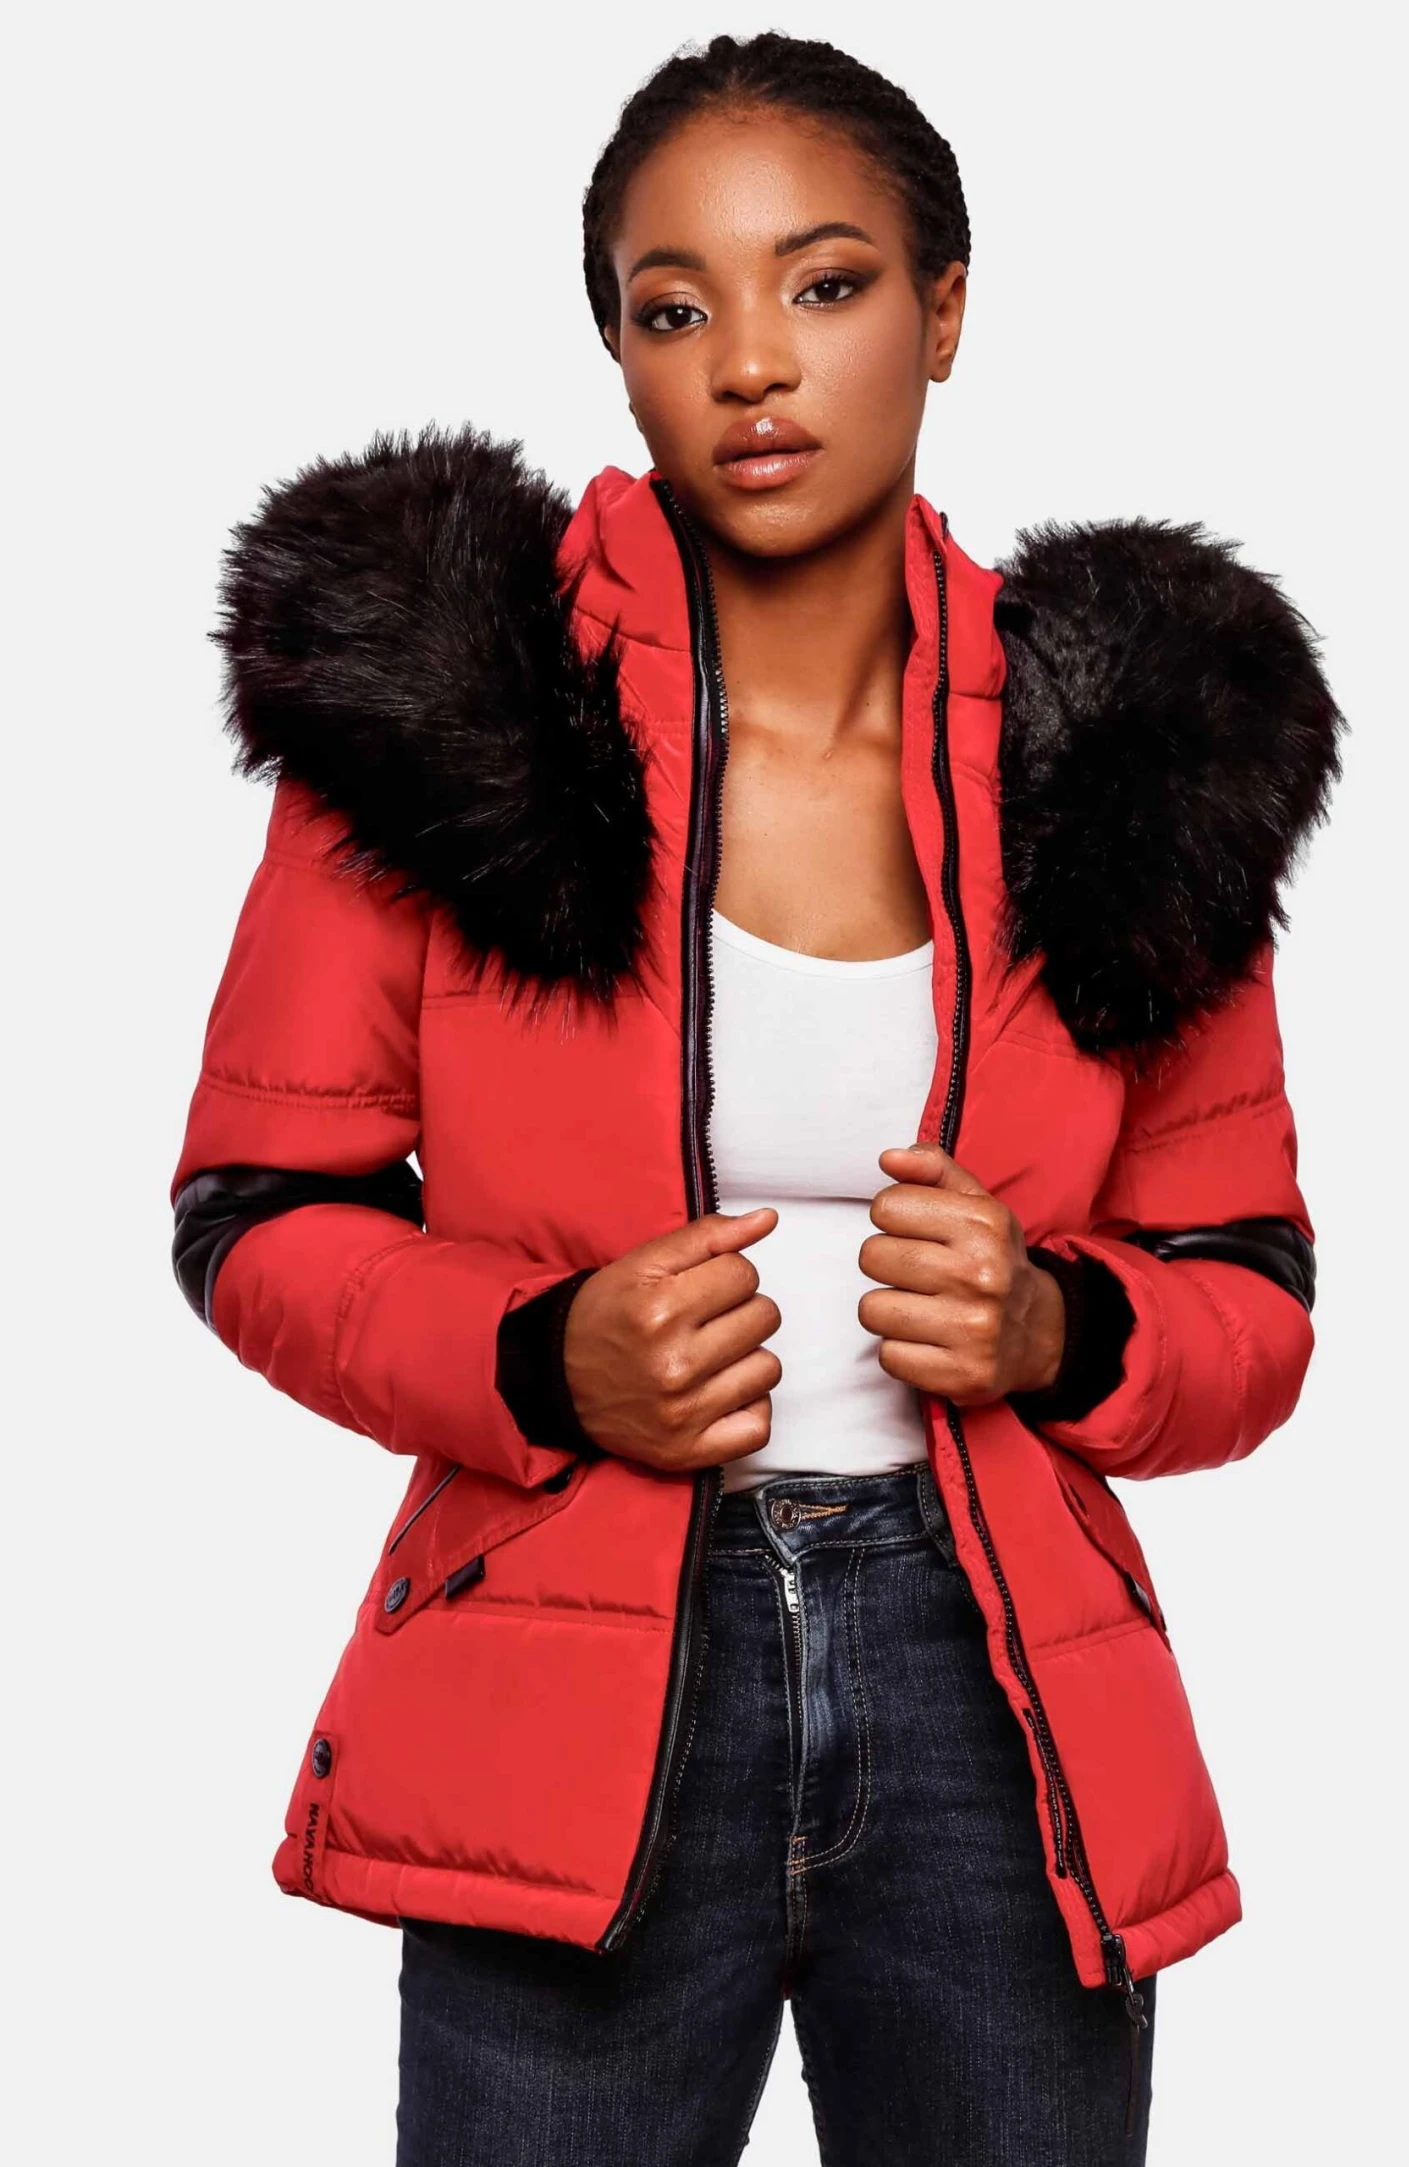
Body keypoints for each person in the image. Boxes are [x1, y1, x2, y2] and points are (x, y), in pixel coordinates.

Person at [169, 30, 1343, 2167]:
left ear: (946, 310)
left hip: (995, 1687)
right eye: (672, 306)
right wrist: (540, 1352)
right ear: (619, 354)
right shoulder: (439, 712)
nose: (752, 363)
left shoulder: (1135, 750)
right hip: (570, 1686)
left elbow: (1250, 1294)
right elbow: (255, 1212)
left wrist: (1062, 1326)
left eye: (826, 282)